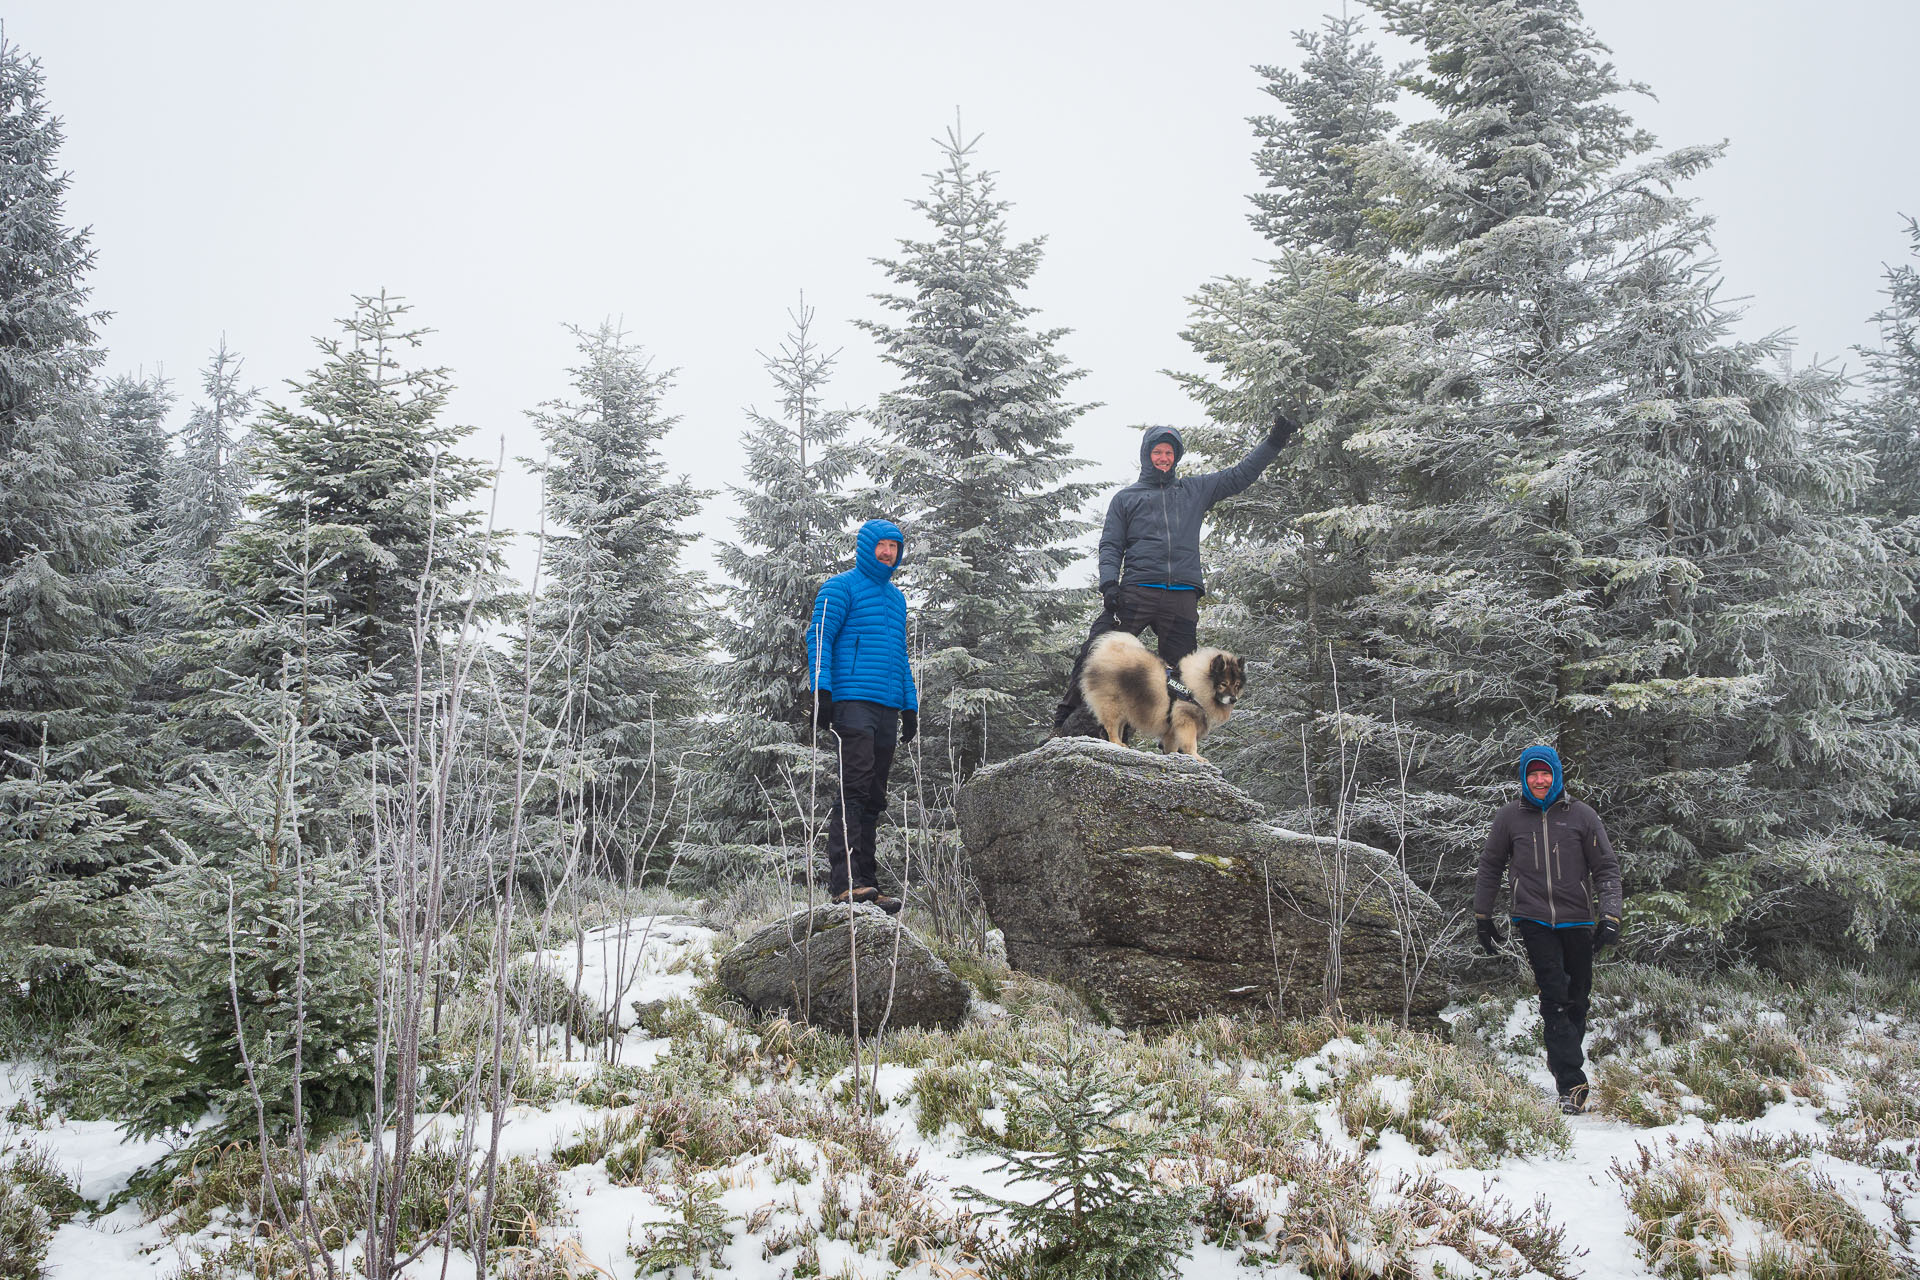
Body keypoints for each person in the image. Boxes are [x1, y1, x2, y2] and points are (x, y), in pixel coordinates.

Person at [1053, 407, 1301, 732]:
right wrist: (1110, 584)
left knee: (1182, 677)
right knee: (1096, 648)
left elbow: (1240, 475)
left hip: (1181, 597)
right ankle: (1064, 718)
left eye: (1169, 452)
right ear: (1147, 455)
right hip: (1137, 592)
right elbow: (1111, 545)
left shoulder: (1194, 491)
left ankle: (1177, 746)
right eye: (1157, 451)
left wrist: (1274, 441)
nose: (1164, 457)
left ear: (1176, 457)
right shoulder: (1126, 499)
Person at [1474, 744, 1624, 1114]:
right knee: (1554, 997)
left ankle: (1559, 1060)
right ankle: (1572, 1085)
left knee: (1579, 998)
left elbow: (1606, 868)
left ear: (1557, 775)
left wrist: (1610, 916)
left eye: (1545, 773)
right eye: (1532, 774)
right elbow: (1491, 865)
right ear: (1524, 778)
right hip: (1533, 918)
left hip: (1578, 919)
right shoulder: (1510, 818)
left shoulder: (1582, 816)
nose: (1539, 780)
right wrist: (1483, 915)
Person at [805, 518, 919, 914]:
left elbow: (899, 656)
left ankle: (868, 883)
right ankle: (845, 884)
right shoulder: (840, 587)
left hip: (887, 706)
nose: (888, 553)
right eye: (882, 545)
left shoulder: (896, 599)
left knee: (873, 796)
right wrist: (822, 691)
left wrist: (910, 704)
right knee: (853, 789)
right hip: (852, 702)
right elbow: (819, 636)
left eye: (894, 546)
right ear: (867, 547)